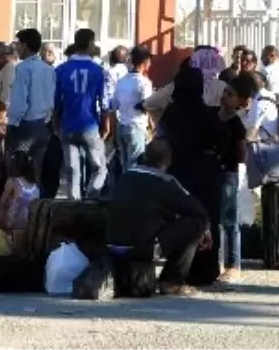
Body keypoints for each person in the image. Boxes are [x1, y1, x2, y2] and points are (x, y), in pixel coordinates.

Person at [107, 139, 212, 296]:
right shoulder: (164, 181)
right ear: (168, 159)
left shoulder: (126, 176)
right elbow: (197, 210)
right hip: (141, 249)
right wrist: (206, 229)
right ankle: (172, 281)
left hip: (113, 246)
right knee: (197, 222)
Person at [158, 64, 225, 287]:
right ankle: (205, 270)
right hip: (205, 171)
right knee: (208, 219)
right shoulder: (208, 113)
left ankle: (180, 267)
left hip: (178, 170)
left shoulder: (171, 113)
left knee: (183, 220)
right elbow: (220, 141)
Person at [54, 29, 108, 200]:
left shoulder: (61, 69)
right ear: (91, 43)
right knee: (99, 168)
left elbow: (56, 102)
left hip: (67, 125)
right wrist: (106, 125)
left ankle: (73, 204)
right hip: (89, 124)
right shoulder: (98, 70)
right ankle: (91, 200)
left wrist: (56, 125)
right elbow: (104, 102)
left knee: (72, 170)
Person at [8, 28, 56, 186]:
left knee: (19, 172)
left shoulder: (23, 68)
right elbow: (51, 99)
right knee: (36, 171)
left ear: (26, 46)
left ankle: (21, 207)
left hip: (25, 126)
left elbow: (19, 102)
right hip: (43, 124)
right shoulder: (48, 69)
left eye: (18, 45)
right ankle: (35, 205)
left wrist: (12, 124)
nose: (16, 48)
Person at [216, 75, 251, 283]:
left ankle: (233, 264)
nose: (225, 97)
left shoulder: (237, 125)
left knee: (230, 220)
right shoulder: (213, 116)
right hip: (212, 171)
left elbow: (241, 154)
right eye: (225, 92)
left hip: (228, 172)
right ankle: (215, 261)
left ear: (241, 101)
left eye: (230, 94)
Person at [111, 45, 154, 173]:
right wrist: (152, 126)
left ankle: (124, 191)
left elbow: (114, 105)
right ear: (145, 62)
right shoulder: (144, 82)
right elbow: (147, 106)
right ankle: (133, 192)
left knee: (125, 167)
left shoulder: (121, 81)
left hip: (122, 126)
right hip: (136, 126)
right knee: (136, 167)